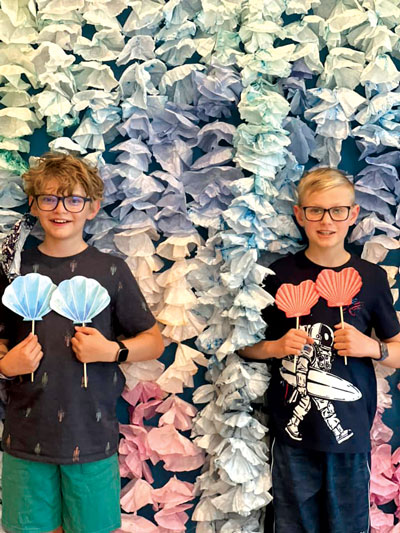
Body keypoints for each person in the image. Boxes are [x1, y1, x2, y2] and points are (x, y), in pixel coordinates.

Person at [0, 153, 164, 533]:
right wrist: (6, 366)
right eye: (49, 199)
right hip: (25, 438)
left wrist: (112, 351)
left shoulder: (110, 270)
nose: (61, 209)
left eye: (73, 199)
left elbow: (153, 342)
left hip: (90, 438)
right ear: (34, 205)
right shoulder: (12, 269)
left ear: (92, 208)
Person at [240, 167, 400, 533]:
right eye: (315, 210)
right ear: (299, 214)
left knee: (348, 526)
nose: (326, 220)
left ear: (353, 214)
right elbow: (245, 349)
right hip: (292, 438)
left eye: (337, 210)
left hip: (351, 436)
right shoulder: (278, 274)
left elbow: (398, 350)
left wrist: (371, 347)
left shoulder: (372, 278)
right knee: (294, 526)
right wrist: (276, 347)